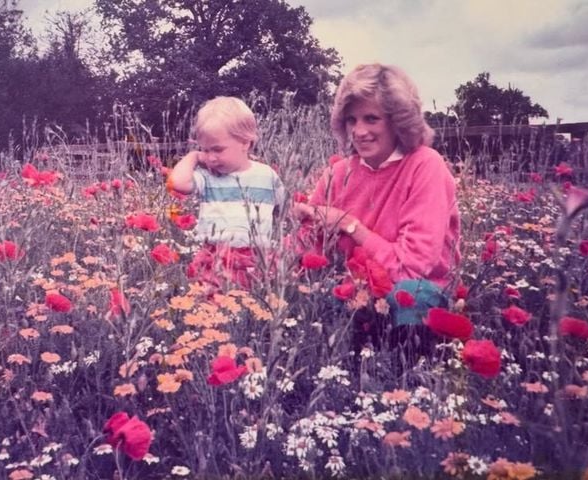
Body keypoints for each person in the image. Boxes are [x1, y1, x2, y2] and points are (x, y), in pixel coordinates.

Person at [293, 64, 461, 363]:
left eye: (371, 118)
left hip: (413, 294)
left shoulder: (425, 165)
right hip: (355, 291)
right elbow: (307, 251)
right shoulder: (338, 173)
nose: (359, 131)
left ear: (399, 121)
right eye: (351, 120)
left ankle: (411, 376)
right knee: (307, 302)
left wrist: (349, 225)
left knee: (408, 295)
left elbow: (412, 268)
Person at [168, 96, 285, 289]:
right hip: (214, 258)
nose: (211, 158)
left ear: (245, 143)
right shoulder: (207, 177)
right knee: (211, 303)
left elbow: (283, 212)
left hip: (255, 259)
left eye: (217, 149)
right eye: (205, 150)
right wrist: (194, 156)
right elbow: (177, 183)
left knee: (251, 303)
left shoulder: (267, 176)